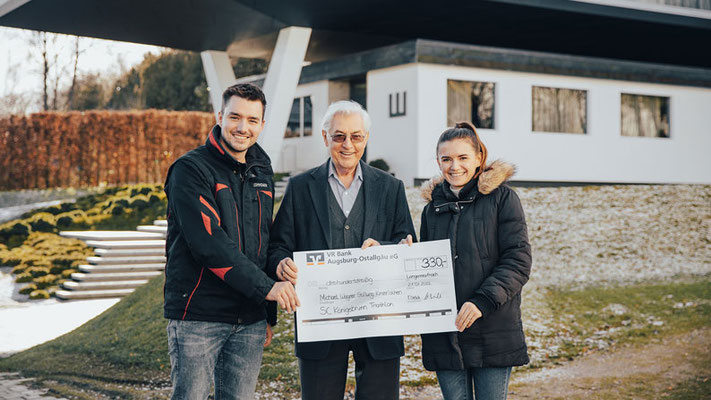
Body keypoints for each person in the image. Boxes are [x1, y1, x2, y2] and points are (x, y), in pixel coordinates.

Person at [267, 100, 416, 400]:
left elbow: (408, 244)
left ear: (366, 139)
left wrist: (384, 248)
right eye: (339, 136)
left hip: (379, 321)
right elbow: (277, 245)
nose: (348, 144)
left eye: (356, 136)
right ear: (325, 138)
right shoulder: (299, 188)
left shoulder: (391, 188)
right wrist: (281, 263)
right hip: (320, 323)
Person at [163, 83, 300, 400]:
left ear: (262, 124)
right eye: (235, 117)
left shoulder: (261, 172)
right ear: (220, 115)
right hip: (199, 316)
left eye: (253, 120)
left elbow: (263, 242)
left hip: (249, 319)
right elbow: (209, 244)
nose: (243, 127)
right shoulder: (190, 169)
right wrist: (267, 289)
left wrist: (267, 313)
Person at [416, 122, 532, 400]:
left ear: (479, 158)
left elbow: (518, 260)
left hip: (492, 329)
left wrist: (482, 301)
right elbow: (426, 267)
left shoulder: (503, 199)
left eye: (462, 157)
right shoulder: (432, 210)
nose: (454, 166)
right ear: (438, 162)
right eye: (447, 159)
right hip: (446, 332)